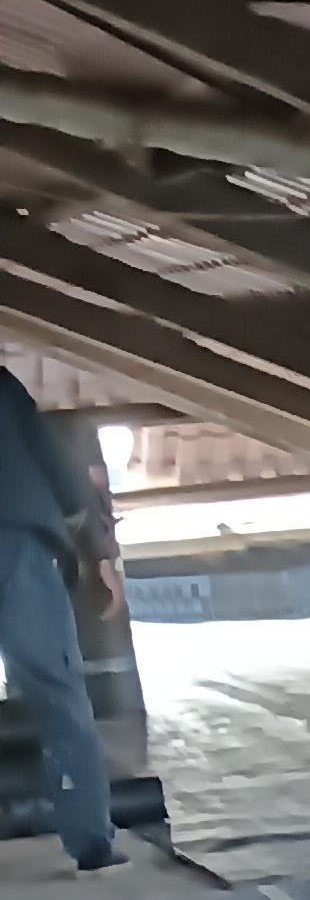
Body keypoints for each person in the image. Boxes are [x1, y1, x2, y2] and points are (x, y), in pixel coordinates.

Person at [0, 368, 117, 872]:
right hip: (18, 543)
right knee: (57, 693)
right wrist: (98, 551)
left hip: (19, 538)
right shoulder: (1, 384)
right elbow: (56, 464)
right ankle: (90, 841)